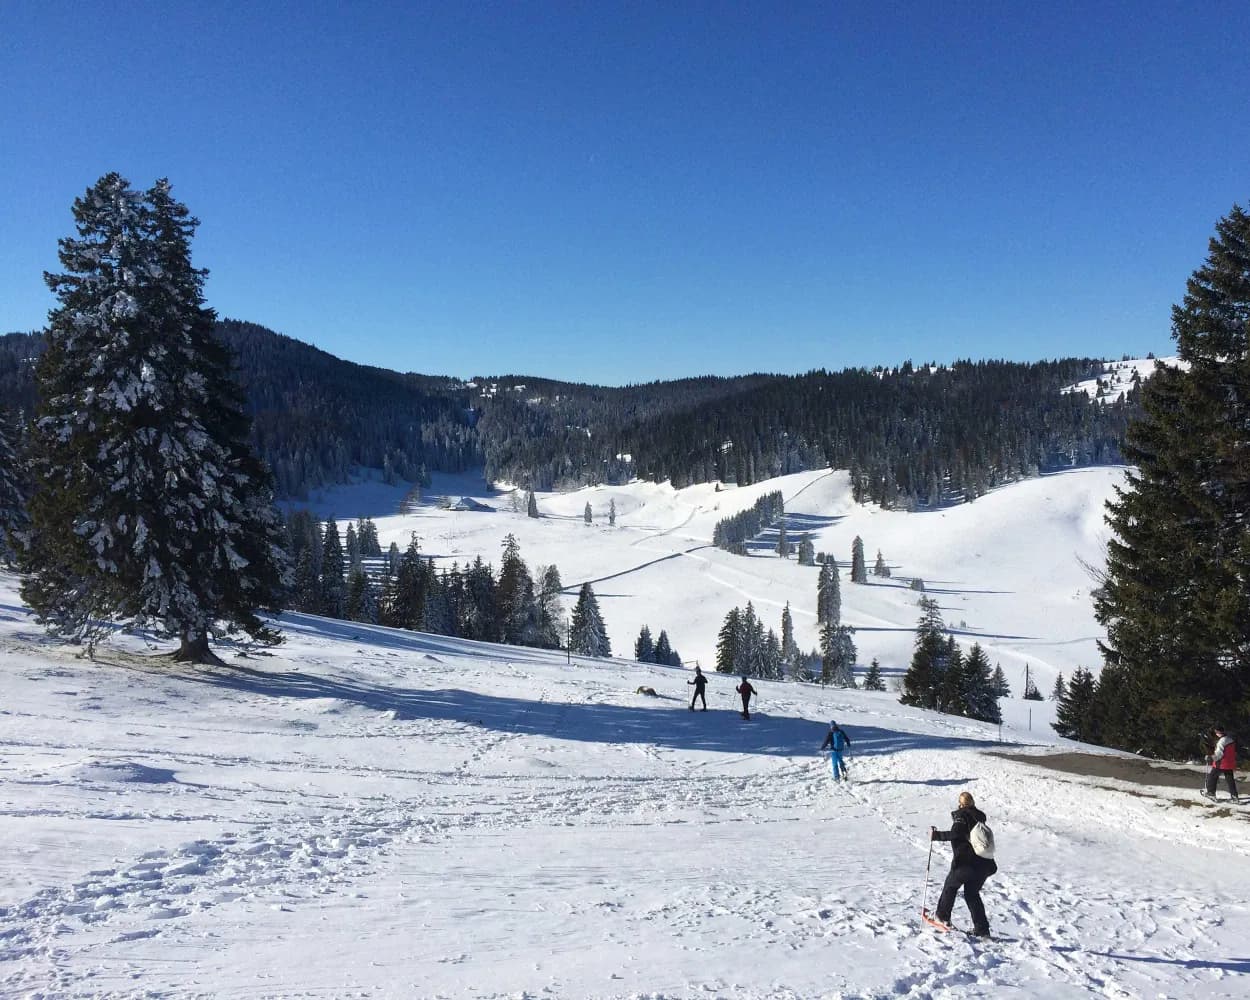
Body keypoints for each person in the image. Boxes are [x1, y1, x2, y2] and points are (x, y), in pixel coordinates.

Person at [930, 791, 997, 937]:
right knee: (972, 894)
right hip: (984, 864)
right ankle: (982, 930)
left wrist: (936, 835)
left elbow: (956, 833)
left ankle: (942, 917)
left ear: (961, 804)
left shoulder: (962, 816)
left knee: (950, 886)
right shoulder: (979, 818)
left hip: (966, 863)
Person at [1203, 726, 1239, 802]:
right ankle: (1234, 797)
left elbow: (1219, 754)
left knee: (1212, 776)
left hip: (1221, 763)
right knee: (1230, 780)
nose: (1216, 734)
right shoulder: (1230, 739)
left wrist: (1211, 758)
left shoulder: (1221, 741)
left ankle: (1211, 793)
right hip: (1229, 763)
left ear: (1219, 732)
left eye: (1216, 732)